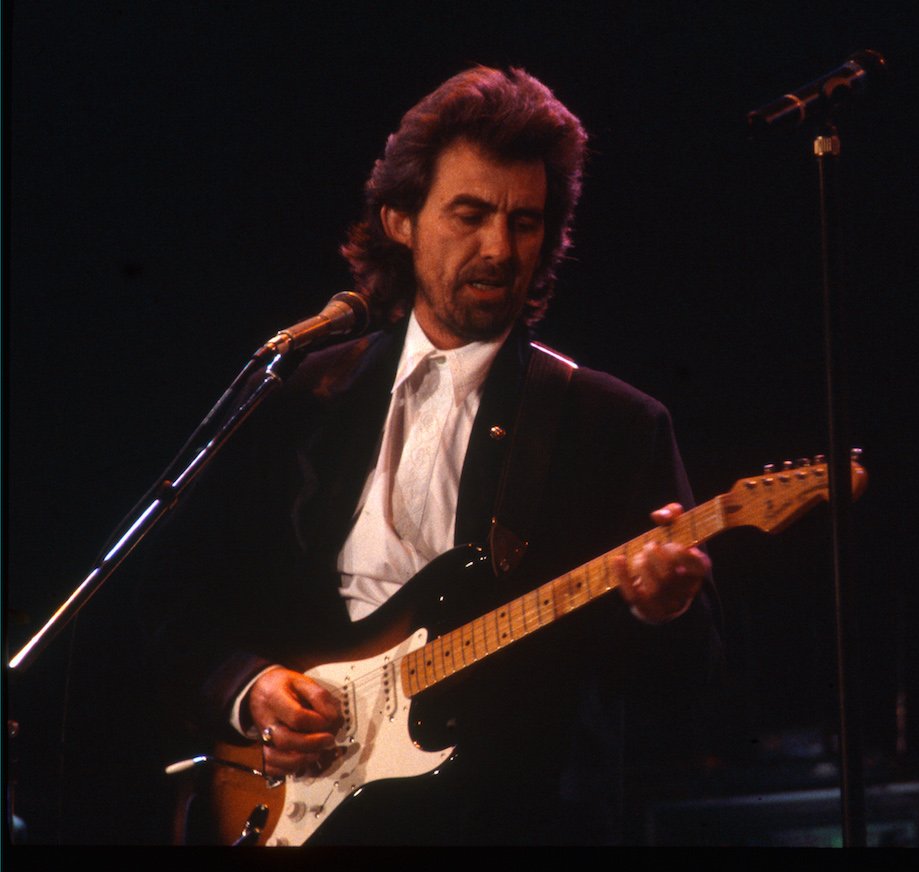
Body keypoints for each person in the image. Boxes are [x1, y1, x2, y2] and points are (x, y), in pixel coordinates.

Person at [129, 64, 723, 846]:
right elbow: (176, 613)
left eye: (525, 222)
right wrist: (252, 691)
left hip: (496, 820)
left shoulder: (613, 426)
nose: (499, 249)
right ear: (400, 219)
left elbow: (694, 700)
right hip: (291, 805)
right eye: (469, 215)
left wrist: (665, 610)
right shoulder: (305, 395)